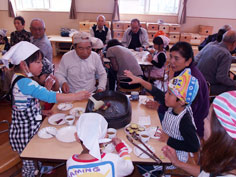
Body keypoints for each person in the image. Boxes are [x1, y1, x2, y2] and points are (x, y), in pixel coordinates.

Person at [1, 41, 90, 177]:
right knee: (29, 162)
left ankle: (39, 167)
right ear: (23, 64)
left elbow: (22, 105)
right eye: (38, 62)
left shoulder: (18, 78)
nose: (41, 65)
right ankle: (31, 173)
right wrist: (76, 96)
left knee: (36, 154)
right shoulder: (26, 82)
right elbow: (49, 96)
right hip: (25, 133)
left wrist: (40, 111)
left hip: (25, 126)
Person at [125, 42, 209, 138]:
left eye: (176, 58)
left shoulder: (190, 80)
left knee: (150, 126)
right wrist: (141, 81)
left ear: (188, 61)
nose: (172, 61)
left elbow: (185, 113)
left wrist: (160, 107)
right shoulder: (182, 72)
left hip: (189, 129)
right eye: (171, 57)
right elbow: (165, 95)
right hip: (180, 117)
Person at [162, 91, 236, 177]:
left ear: (222, 134)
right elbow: (206, 173)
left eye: (208, 118)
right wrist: (178, 163)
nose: (203, 120)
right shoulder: (223, 160)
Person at [66, 113, 134, 177]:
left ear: (77, 137)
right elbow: (129, 168)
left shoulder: (70, 163)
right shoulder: (113, 161)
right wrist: (120, 146)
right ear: (105, 136)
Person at [197, 30, 236, 95]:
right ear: (234, 43)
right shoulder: (226, 55)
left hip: (198, 82)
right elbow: (221, 78)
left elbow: (219, 58)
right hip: (208, 87)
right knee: (233, 86)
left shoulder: (211, 46)